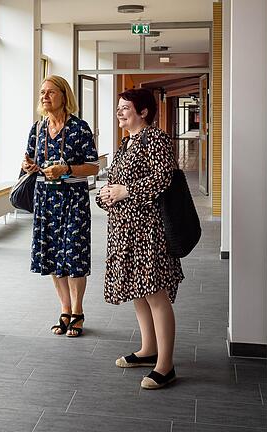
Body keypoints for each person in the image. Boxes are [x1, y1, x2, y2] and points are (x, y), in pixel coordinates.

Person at [96, 88, 184, 390]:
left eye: (125, 108)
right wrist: (105, 195)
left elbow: (163, 177)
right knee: (138, 290)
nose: (119, 112)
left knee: (155, 294)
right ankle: (149, 350)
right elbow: (112, 182)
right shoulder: (126, 143)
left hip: (149, 230)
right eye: (118, 108)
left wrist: (126, 192)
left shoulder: (154, 138)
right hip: (124, 230)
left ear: (143, 111)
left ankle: (166, 365)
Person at [21, 75, 99, 338]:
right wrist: (29, 166)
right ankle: (64, 309)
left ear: (64, 96)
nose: (44, 96)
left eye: (50, 92)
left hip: (73, 199)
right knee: (53, 255)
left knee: (74, 254)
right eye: (42, 92)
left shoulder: (80, 128)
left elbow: (93, 166)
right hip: (45, 199)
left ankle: (78, 311)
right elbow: (31, 159)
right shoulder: (38, 129)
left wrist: (66, 168)